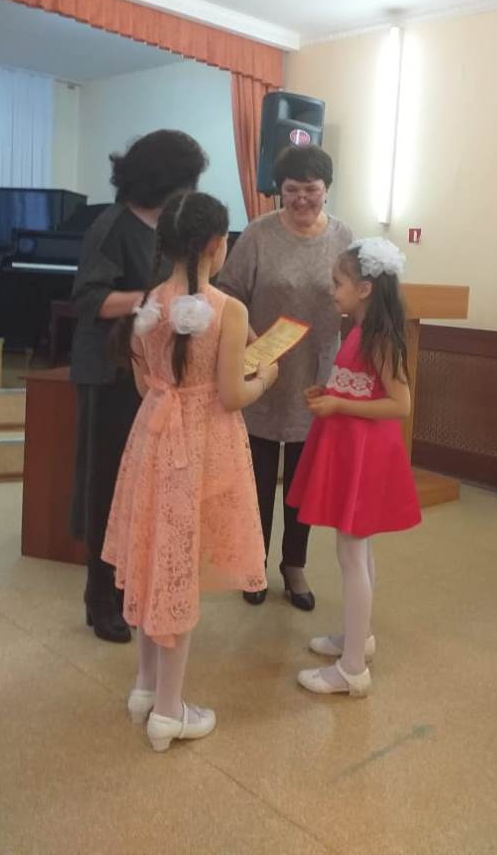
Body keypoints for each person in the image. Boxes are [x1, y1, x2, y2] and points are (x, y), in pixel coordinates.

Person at [102, 191, 277, 752]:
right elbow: (231, 395)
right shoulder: (229, 310)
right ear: (215, 245)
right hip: (200, 450)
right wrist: (265, 377)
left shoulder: (148, 303)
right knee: (179, 572)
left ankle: (145, 688)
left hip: (151, 443)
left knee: (154, 558)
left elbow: (144, 384)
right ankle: (169, 712)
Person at [69, 130, 208, 644]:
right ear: (163, 179)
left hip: (150, 372)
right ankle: (99, 596)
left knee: (139, 486)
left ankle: (126, 587)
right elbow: (90, 300)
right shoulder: (111, 226)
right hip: (109, 373)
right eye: (185, 182)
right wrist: (153, 296)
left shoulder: (166, 226)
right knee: (106, 483)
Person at [217, 145, 352, 610]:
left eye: (310, 189)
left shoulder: (343, 237)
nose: (300, 199)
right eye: (291, 190)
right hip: (262, 370)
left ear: (327, 189)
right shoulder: (258, 234)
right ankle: (252, 565)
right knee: (254, 479)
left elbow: (356, 298)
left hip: (316, 376)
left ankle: (294, 565)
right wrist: (253, 341)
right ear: (279, 191)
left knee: (302, 481)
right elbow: (228, 294)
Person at [287, 238, 422, 697]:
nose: (332, 290)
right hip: (350, 447)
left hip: (366, 452)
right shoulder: (359, 331)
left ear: (364, 289)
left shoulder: (379, 337)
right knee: (357, 551)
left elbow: (399, 405)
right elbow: (362, 388)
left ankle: (351, 670)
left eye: (338, 282)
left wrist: (340, 404)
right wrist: (330, 395)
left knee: (351, 553)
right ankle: (357, 638)